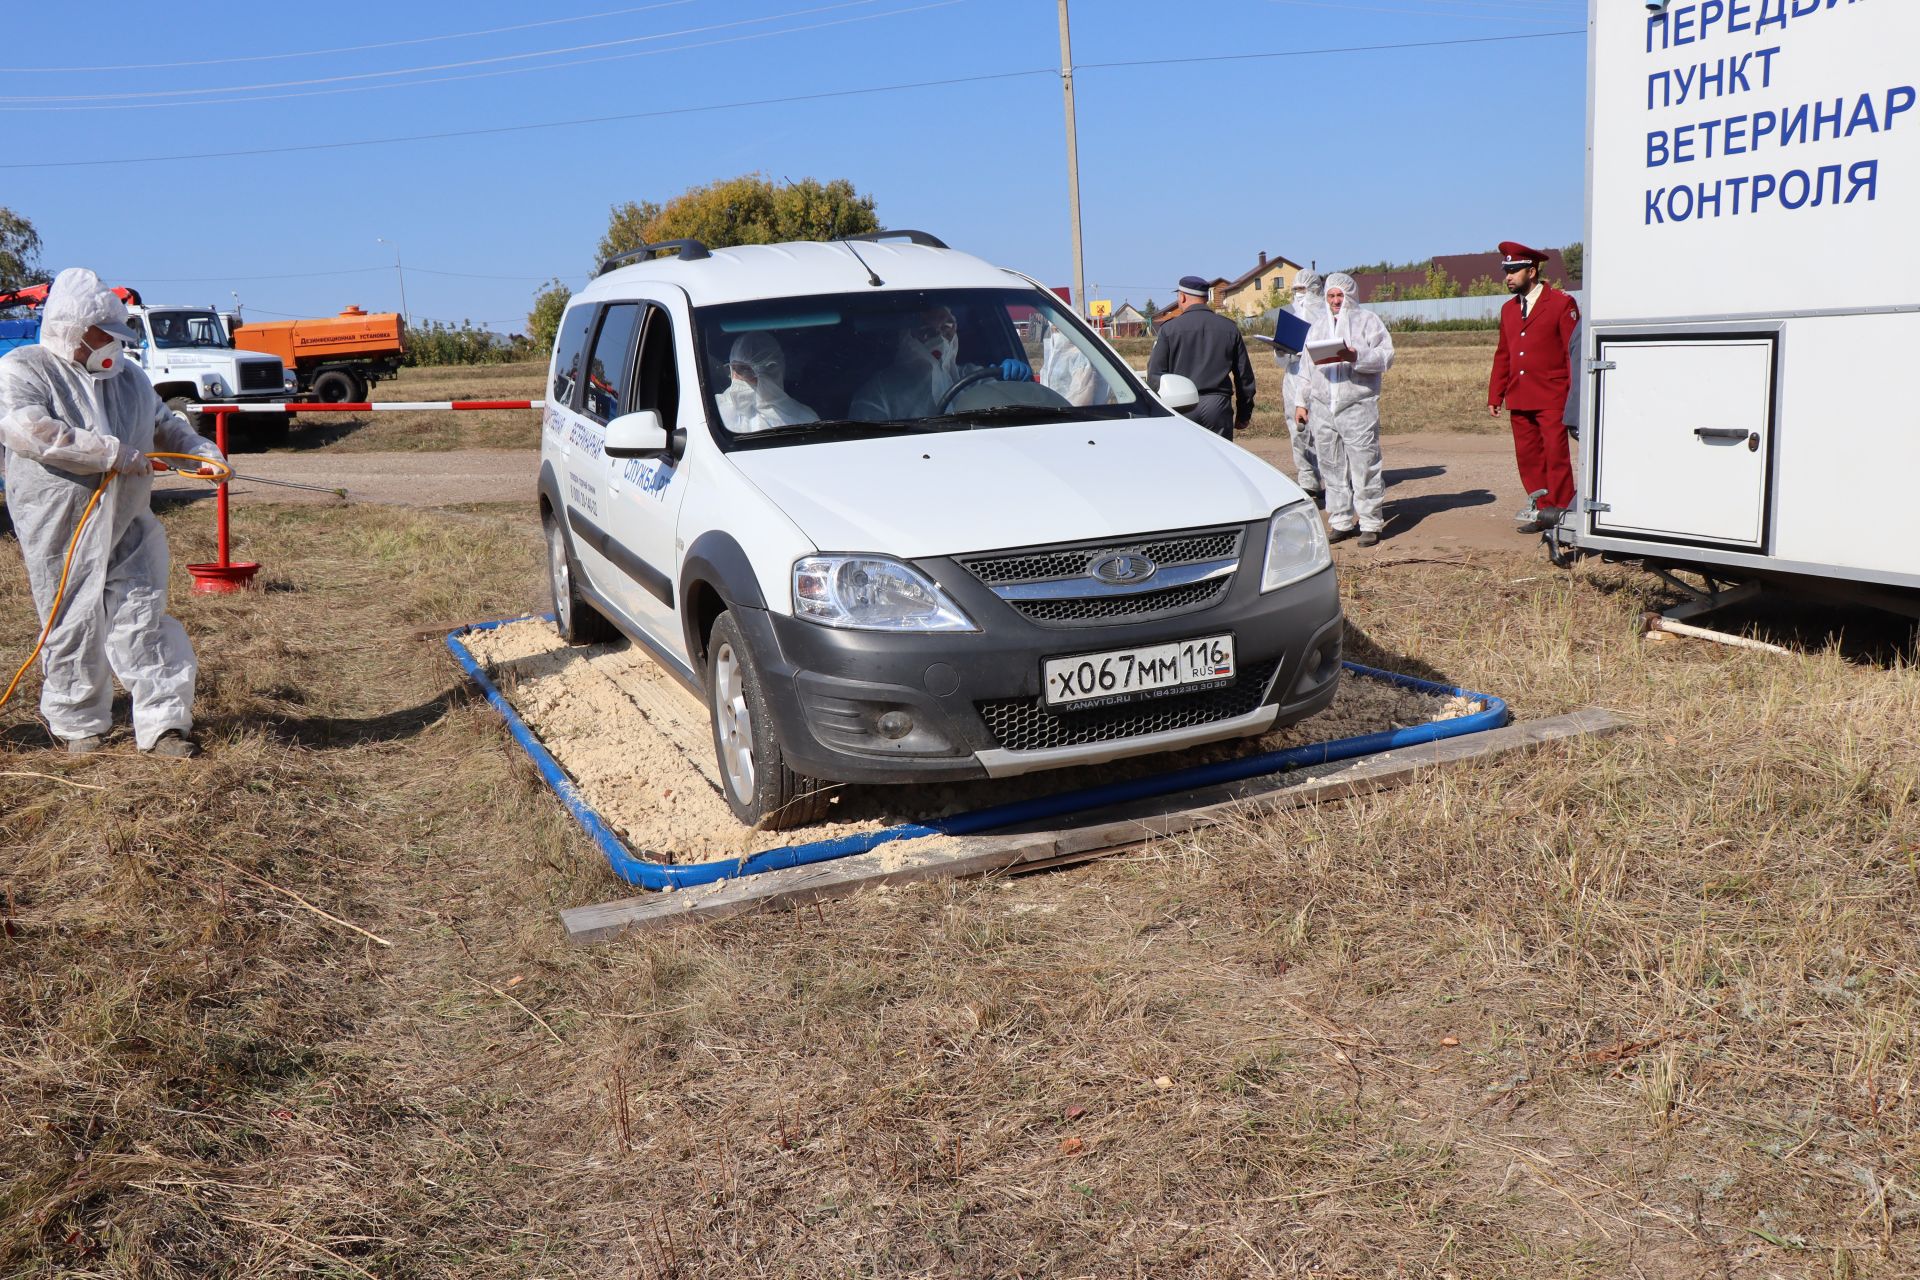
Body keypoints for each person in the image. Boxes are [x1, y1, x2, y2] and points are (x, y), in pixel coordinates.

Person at [0, 267, 227, 757]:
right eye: (106, 334)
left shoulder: (129, 378)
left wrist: (201, 451)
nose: (115, 345)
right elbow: (25, 428)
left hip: (129, 518)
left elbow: (164, 424)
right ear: (74, 330)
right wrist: (109, 453)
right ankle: (79, 724)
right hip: (59, 522)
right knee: (70, 622)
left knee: (142, 613)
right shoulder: (25, 368)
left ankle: (165, 724)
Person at [1292, 271, 1394, 547]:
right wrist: (1301, 403)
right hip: (1324, 407)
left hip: (1357, 406)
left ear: (1350, 295)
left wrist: (1355, 356)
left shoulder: (1368, 322)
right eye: (1331, 295)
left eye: (1340, 295)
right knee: (1331, 465)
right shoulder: (1317, 327)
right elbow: (1306, 370)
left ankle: (1371, 522)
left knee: (1364, 465)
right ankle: (1340, 520)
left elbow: (1386, 356)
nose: (1336, 300)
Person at [1487, 241, 1581, 532]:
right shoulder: (1508, 310)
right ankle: (1541, 511)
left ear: (1532, 270)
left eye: (1514, 271)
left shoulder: (1561, 303)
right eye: (1506, 271)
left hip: (1552, 394)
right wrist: (1496, 393)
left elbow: (1571, 354)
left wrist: (1575, 397)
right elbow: (1504, 352)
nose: (1508, 277)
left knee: (1556, 457)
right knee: (1528, 458)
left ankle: (1562, 512)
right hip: (1520, 394)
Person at [849, 304, 1031, 421]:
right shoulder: (880, 391)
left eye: (946, 328)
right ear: (906, 336)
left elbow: (1010, 410)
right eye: (928, 331)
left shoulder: (972, 377)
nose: (941, 340)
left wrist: (1012, 384)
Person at [1145, 275, 1255, 438]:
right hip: (1217, 406)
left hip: (1182, 406)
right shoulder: (1229, 328)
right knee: (1220, 460)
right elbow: (1244, 376)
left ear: (1182, 297)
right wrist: (1244, 414)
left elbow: (1155, 374)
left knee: (1185, 460)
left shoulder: (1169, 329)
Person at [1278, 271, 1326, 503]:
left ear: (1315, 289)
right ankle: (1308, 481)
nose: (1299, 295)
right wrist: (1281, 351)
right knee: (1298, 431)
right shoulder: (1291, 316)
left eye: (1303, 290)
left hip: (1322, 379)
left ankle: (1335, 480)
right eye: (1295, 290)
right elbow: (1281, 360)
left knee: (1325, 431)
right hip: (1294, 377)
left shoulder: (1328, 315)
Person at [714, 332, 816, 433]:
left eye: (744, 370)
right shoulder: (712, 411)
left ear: (769, 371)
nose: (736, 376)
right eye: (734, 368)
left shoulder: (804, 419)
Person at [1035, 312, 1108, 407]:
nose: (1055, 335)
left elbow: (1079, 399)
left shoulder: (1080, 357)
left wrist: (1059, 415)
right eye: (1053, 330)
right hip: (1051, 413)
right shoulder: (1052, 358)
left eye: (1058, 330)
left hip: (1068, 417)